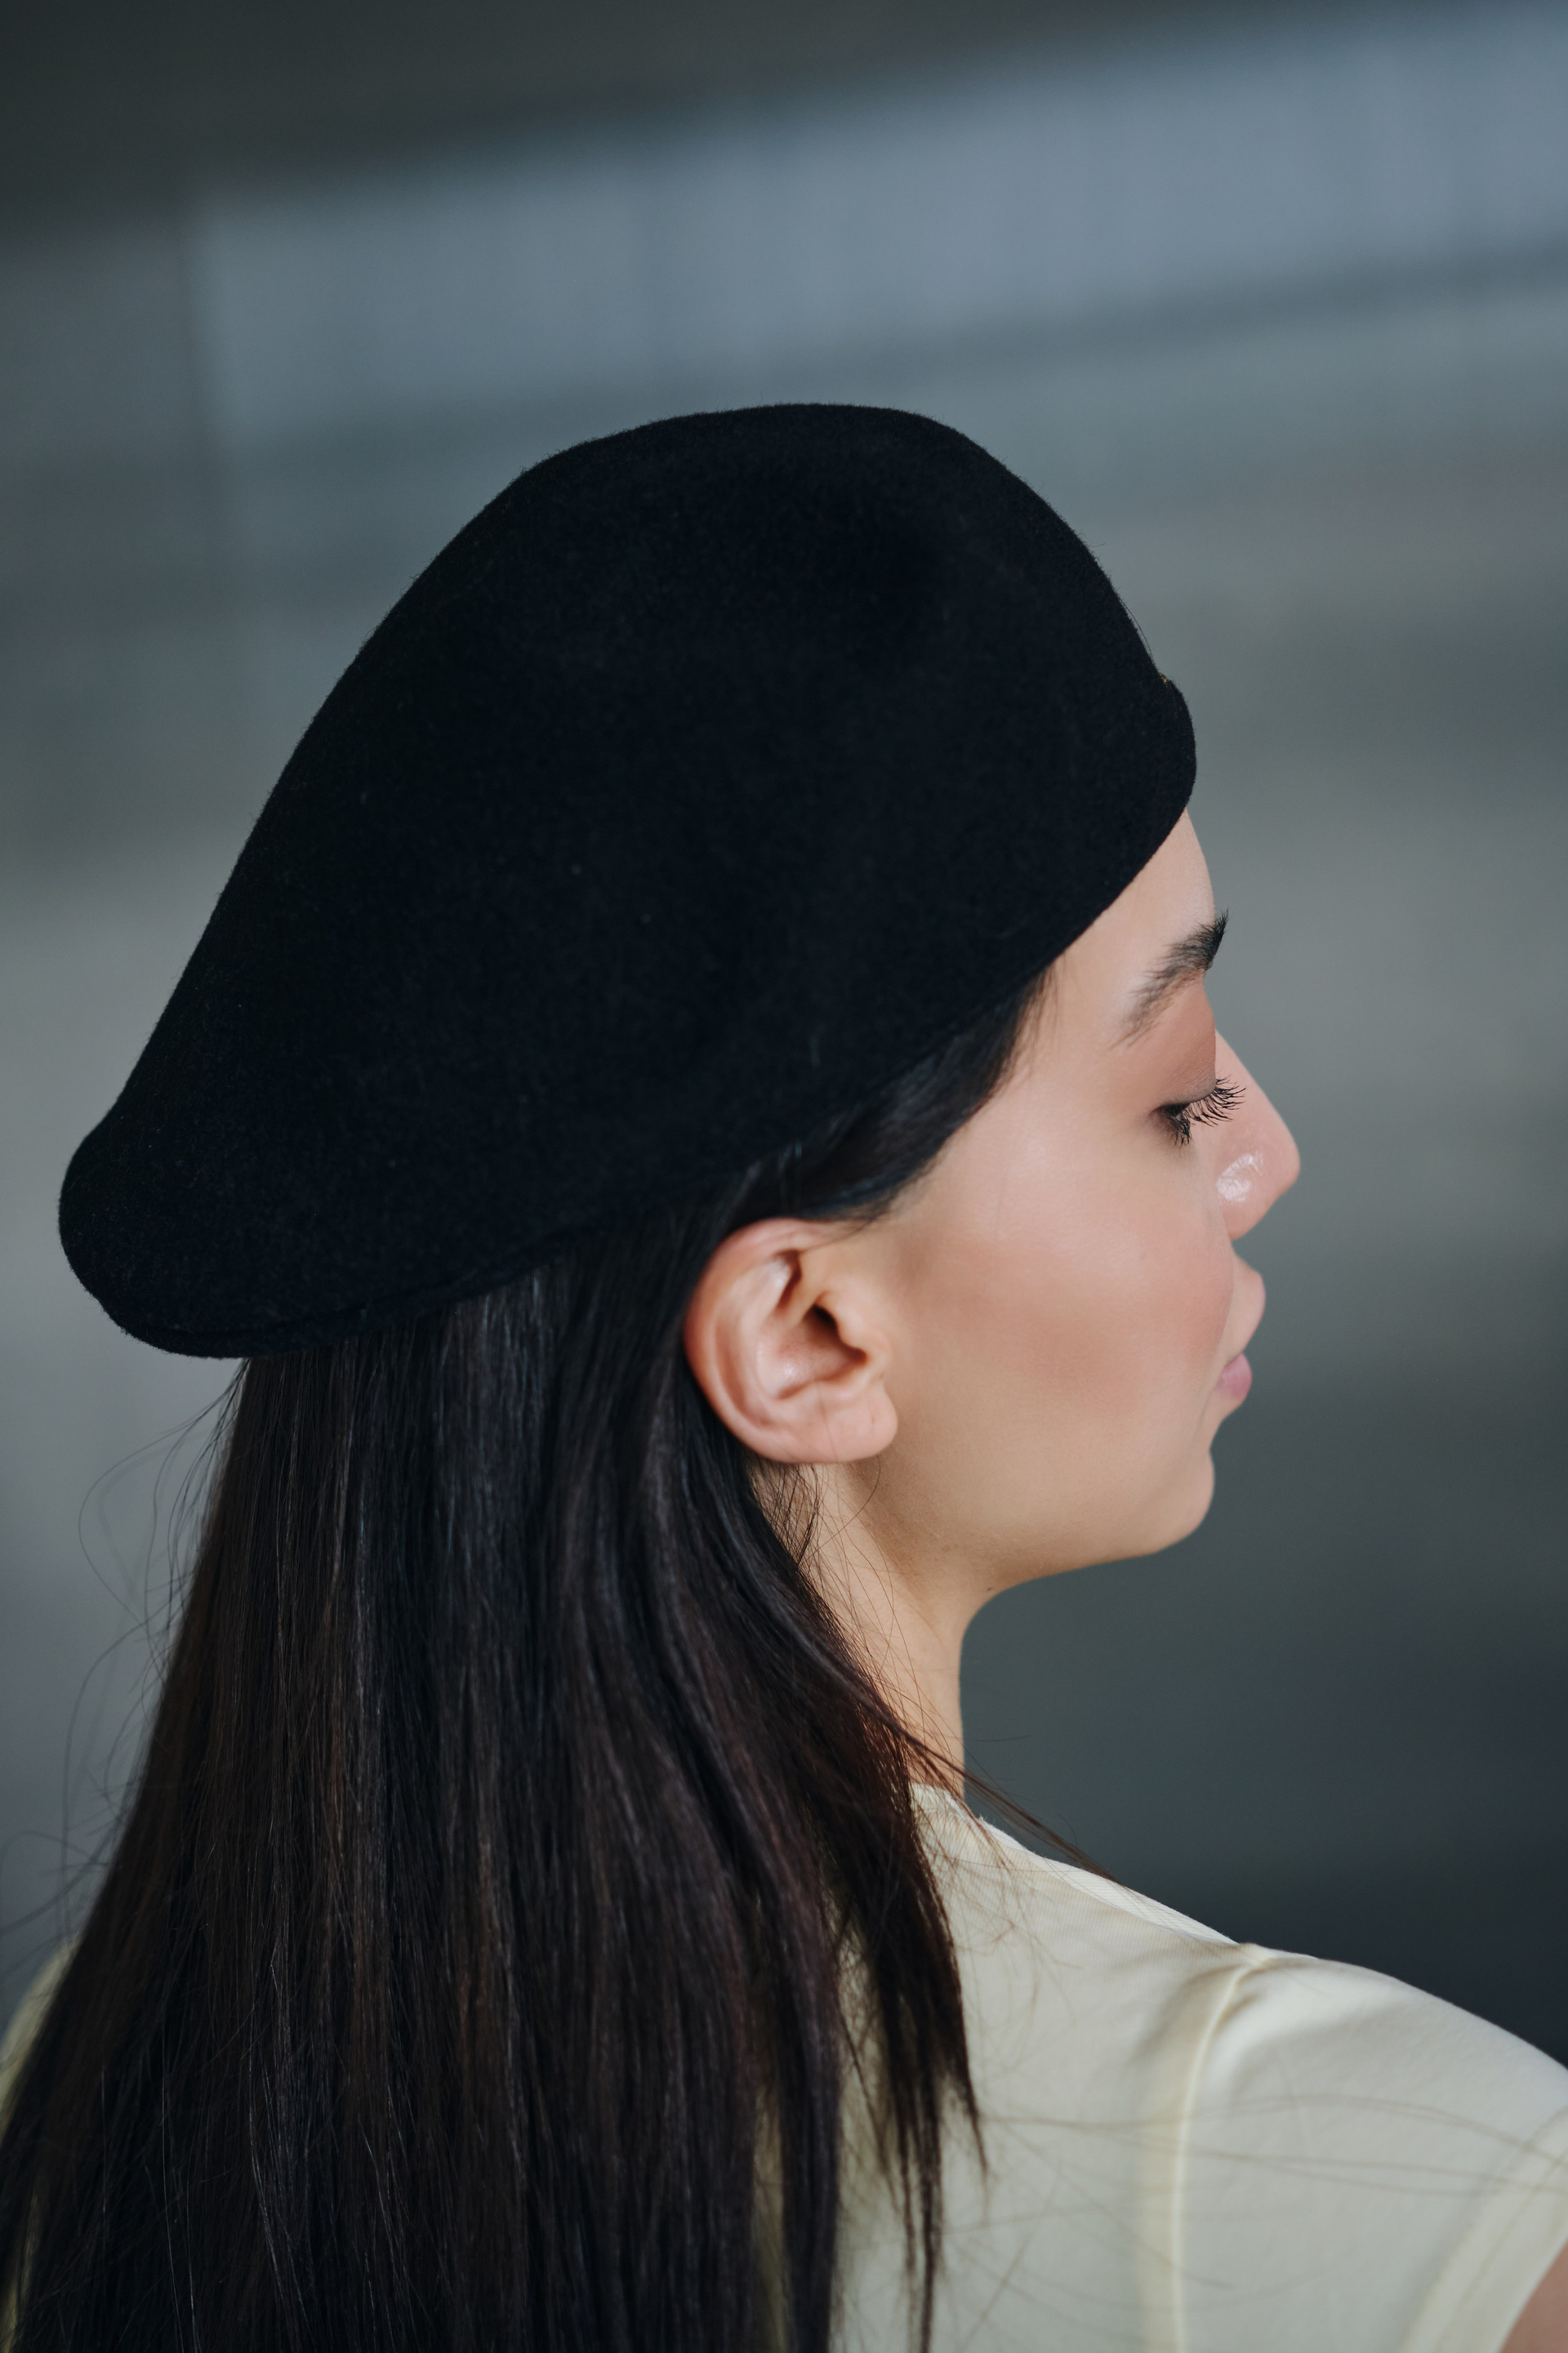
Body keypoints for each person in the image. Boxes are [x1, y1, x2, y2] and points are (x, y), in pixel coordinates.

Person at [1, 404, 1564, 2352]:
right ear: (807, 1337)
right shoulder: (1405, 2213)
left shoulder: (78, 2105)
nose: (1271, 1153)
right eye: (1176, 1096)